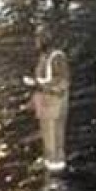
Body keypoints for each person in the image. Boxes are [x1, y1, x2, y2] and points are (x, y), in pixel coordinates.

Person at [24, 29, 70, 173]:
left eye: (38, 39)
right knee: (47, 135)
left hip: (55, 103)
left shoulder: (57, 57)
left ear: (44, 40)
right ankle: (48, 161)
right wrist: (33, 101)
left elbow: (62, 82)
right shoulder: (44, 58)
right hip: (45, 103)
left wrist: (37, 83)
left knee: (54, 135)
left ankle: (56, 167)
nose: (36, 42)